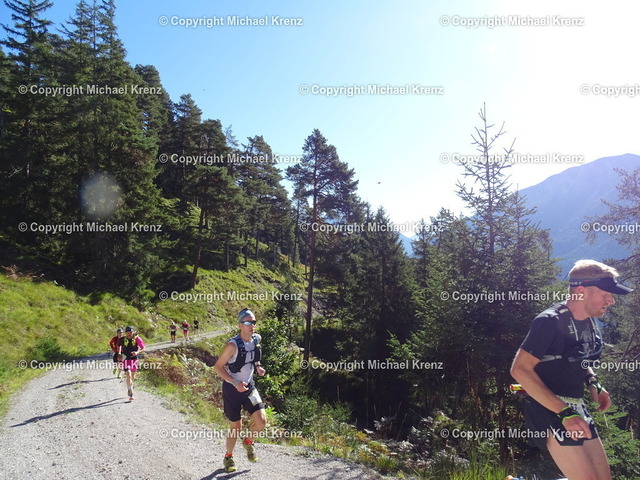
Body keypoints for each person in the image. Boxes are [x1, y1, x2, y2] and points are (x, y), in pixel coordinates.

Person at [511, 259, 633, 480]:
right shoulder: (549, 321)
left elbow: (579, 359)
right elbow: (519, 369)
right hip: (548, 408)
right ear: (581, 291)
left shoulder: (588, 322)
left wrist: (593, 382)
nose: (611, 300)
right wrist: (564, 412)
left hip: (576, 406)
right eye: (606, 294)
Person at [214, 308, 267, 473]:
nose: (252, 325)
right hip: (232, 389)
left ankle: (248, 441)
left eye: (253, 322)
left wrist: (258, 367)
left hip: (249, 387)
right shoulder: (232, 345)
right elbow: (218, 367)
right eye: (248, 322)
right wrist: (235, 382)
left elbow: (254, 357)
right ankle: (228, 457)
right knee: (236, 426)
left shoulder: (257, 339)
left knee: (261, 422)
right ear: (240, 325)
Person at [118, 326, 146, 401]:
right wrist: (119, 354)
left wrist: (137, 352)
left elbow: (143, 348)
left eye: (130, 332)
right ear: (125, 333)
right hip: (125, 358)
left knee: (132, 376)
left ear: (133, 332)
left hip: (134, 359)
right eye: (128, 332)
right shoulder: (122, 339)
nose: (129, 334)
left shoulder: (137, 339)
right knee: (128, 374)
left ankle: (130, 387)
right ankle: (131, 393)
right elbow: (119, 346)